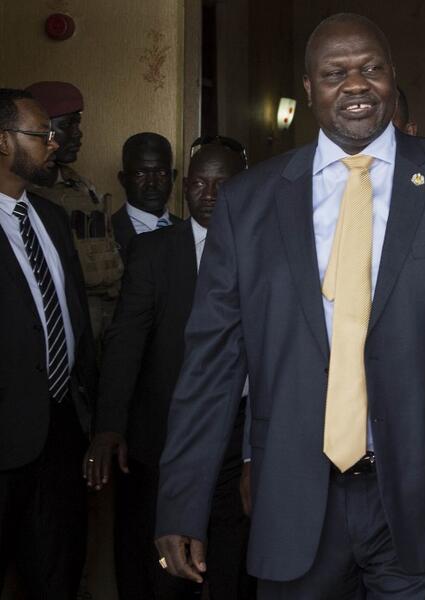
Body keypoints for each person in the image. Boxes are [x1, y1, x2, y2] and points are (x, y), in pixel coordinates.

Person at [154, 12, 425, 599]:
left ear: (391, 77)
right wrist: (182, 500)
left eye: (371, 69)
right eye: (335, 73)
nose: (355, 85)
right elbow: (210, 366)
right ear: (309, 90)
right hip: (298, 497)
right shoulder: (249, 204)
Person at [84, 138, 253, 599]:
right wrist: (109, 426)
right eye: (198, 183)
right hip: (165, 434)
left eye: (222, 183)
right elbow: (125, 343)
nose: (210, 194)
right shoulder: (156, 251)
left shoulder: (267, 248)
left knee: (230, 561)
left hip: (241, 436)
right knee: (164, 564)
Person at [0, 88, 97, 598]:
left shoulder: (52, 219)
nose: (54, 144)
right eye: (41, 135)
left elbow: (76, 323)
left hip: (60, 439)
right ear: (2, 140)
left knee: (57, 579)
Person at [25, 80, 125, 341]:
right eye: (67, 124)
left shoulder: (81, 185)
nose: (78, 134)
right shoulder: (20, 195)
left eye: (77, 123)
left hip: (103, 317)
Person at [111, 132, 180, 261]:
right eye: (140, 173)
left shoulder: (190, 231)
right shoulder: (106, 233)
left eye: (161, 173)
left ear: (173, 177)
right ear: (123, 179)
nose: (151, 183)